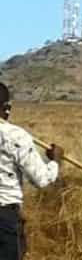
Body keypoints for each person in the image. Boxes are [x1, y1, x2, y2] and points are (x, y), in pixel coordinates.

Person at [0, 82, 63, 260]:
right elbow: (42, 179)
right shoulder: (15, 135)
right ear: (7, 108)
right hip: (4, 218)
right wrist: (55, 161)